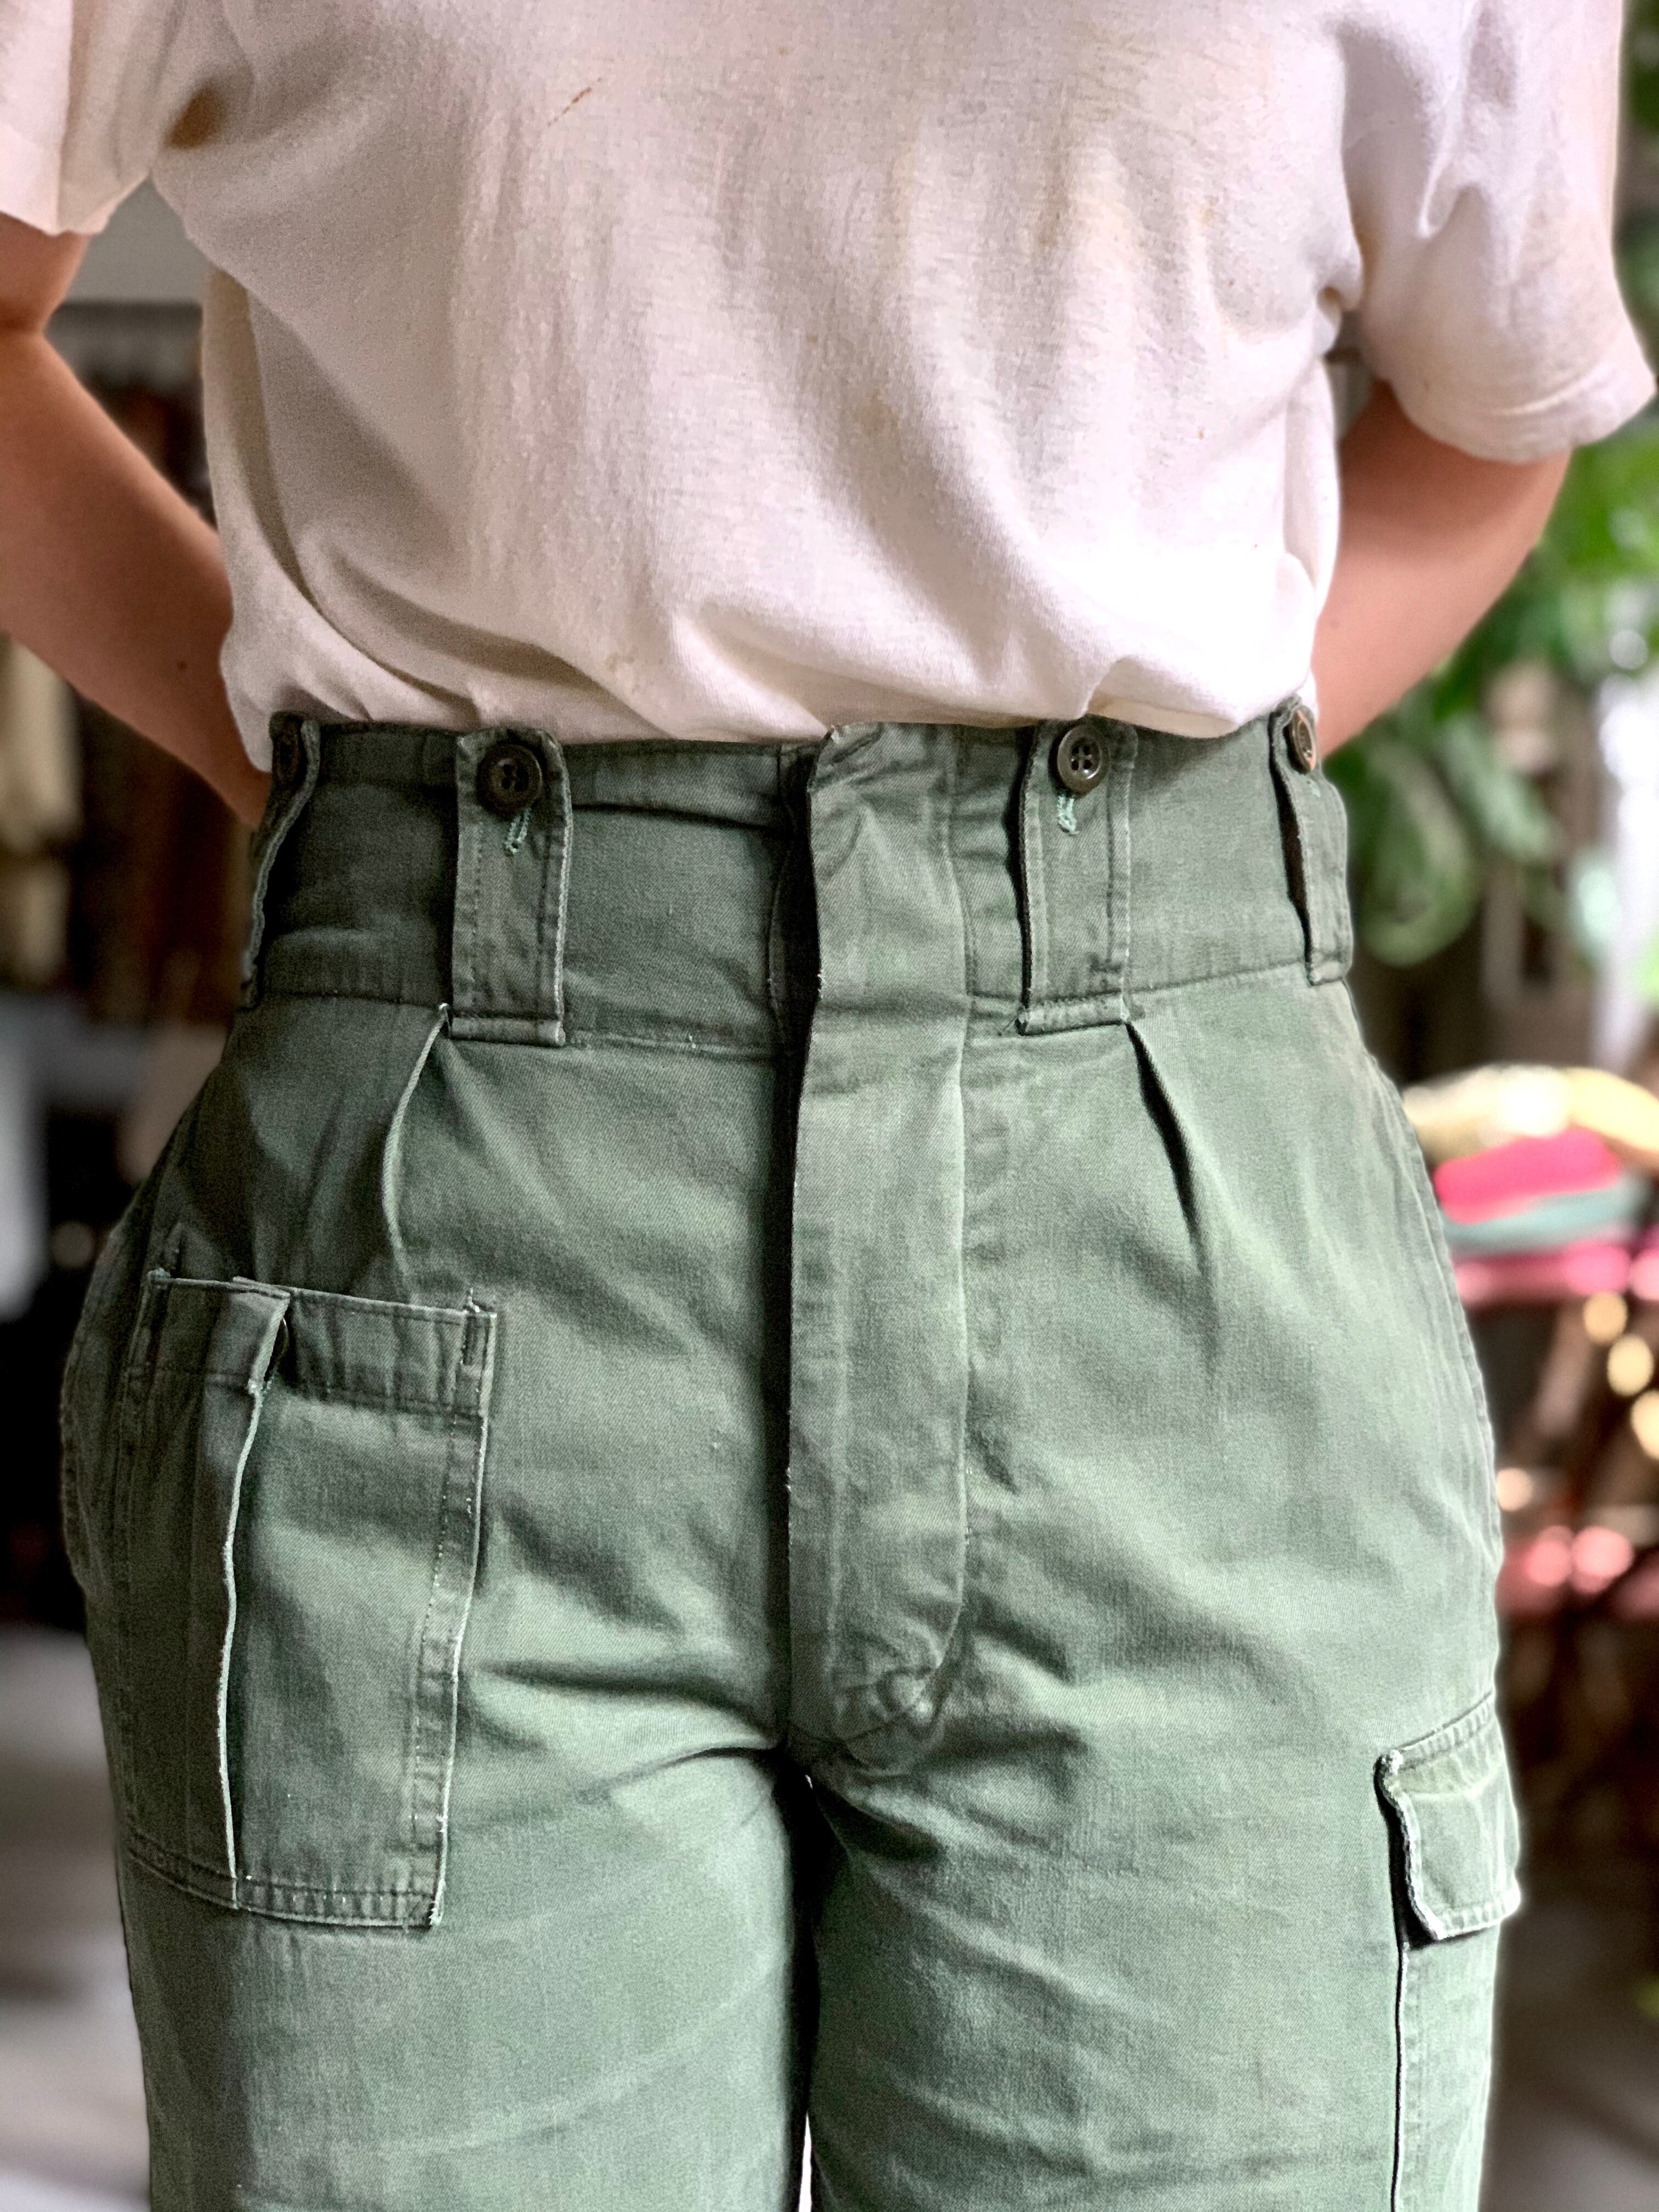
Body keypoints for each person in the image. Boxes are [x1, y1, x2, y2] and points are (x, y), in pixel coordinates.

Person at [0, 4, 1650, 2206]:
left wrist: (1120, 867)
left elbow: (1501, 406)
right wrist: (314, 788)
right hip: (451, 1205)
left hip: (1178, 1268)